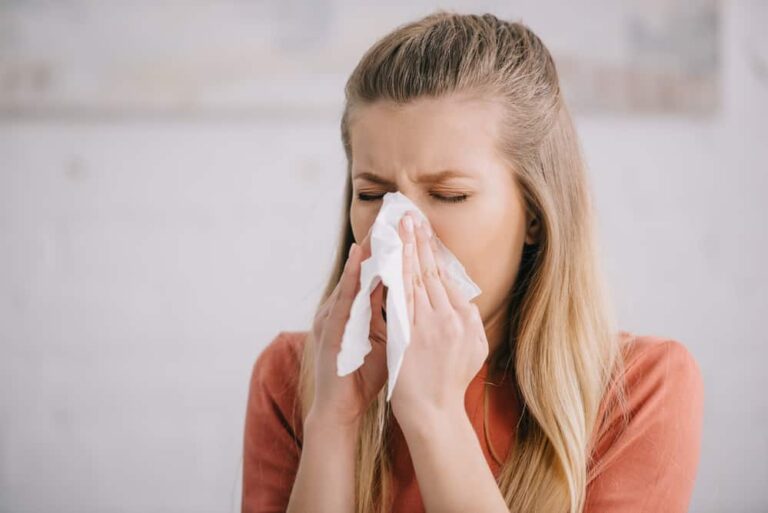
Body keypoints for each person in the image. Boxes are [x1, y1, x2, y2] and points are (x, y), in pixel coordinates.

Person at [242, 10, 704, 513]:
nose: (398, 229)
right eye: (373, 193)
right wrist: (334, 421)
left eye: (449, 194)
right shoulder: (294, 376)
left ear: (534, 213)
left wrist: (435, 416)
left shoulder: (640, 388)